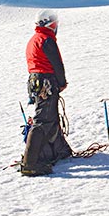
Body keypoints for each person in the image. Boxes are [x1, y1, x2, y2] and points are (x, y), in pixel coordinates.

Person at [19, 10, 73, 176]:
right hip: (46, 82)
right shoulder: (46, 39)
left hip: (36, 81)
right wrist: (62, 82)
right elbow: (56, 64)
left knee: (50, 117)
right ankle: (30, 163)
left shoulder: (34, 39)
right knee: (42, 120)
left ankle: (59, 150)